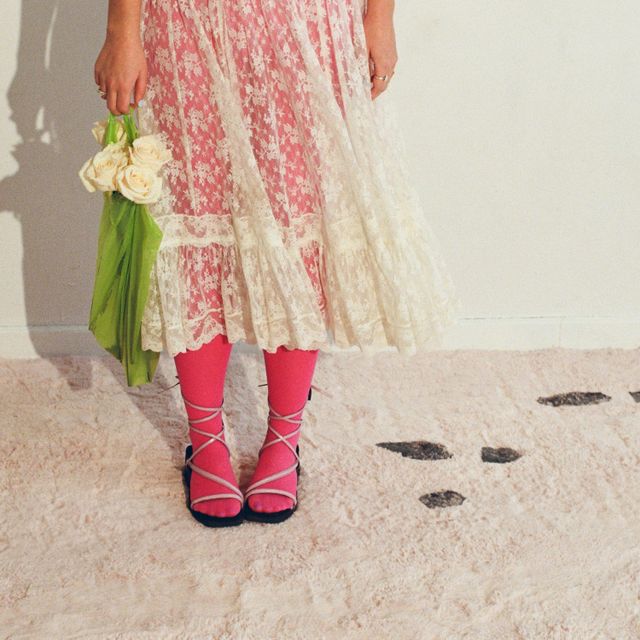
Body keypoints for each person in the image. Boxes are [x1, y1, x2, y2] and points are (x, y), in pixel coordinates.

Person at [93, 0, 460, 527]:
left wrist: (379, 18)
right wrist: (122, 31)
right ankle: (206, 441)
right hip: (186, 22)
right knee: (197, 217)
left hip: (310, 21)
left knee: (297, 227)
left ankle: (284, 440)